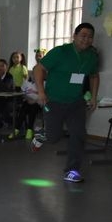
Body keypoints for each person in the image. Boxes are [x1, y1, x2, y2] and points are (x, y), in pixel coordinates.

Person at [31, 23, 100, 183]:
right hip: (54, 101)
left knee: (78, 134)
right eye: (83, 35)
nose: (86, 39)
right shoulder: (60, 52)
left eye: (90, 37)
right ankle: (42, 135)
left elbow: (94, 76)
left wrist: (94, 97)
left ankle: (72, 170)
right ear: (74, 36)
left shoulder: (92, 56)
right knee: (54, 137)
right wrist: (41, 91)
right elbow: (38, 69)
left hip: (76, 102)